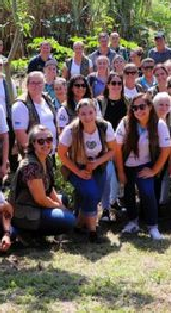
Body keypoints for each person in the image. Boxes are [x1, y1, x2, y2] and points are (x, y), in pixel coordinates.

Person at [58, 99, 116, 242]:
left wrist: (97, 162)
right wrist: (77, 171)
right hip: (76, 167)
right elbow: (61, 154)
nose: (87, 116)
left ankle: (78, 224)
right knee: (91, 193)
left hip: (98, 166)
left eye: (90, 112)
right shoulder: (71, 130)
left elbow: (113, 150)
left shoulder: (104, 127)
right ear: (78, 114)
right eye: (83, 113)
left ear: (96, 112)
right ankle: (92, 231)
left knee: (95, 197)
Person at [115, 93, 171, 240]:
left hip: (145, 165)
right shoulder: (126, 123)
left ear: (150, 107)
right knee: (128, 194)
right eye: (135, 108)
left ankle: (153, 227)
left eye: (142, 106)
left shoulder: (159, 124)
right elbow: (117, 148)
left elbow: (166, 149)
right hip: (127, 164)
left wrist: (154, 170)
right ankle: (133, 222)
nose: (139, 110)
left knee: (148, 192)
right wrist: (120, 171)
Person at [10, 125, 76, 238]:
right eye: (41, 141)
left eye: (49, 139)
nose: (46, 144)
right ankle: (27, 233)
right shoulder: (30, 165)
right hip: (26, 212)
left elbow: (50, 189)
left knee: (63, 198)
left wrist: (59, 204)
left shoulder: (46, 159)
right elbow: (40, 199)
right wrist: (59, 207)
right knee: (69, 220)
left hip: (37, 205)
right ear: (33, 144)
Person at [97, 73, 128, 221]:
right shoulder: (100, 103)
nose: (116, 86)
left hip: (124, 144)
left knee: (122, 173)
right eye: (113, 83)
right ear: (108, 85)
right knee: (109, 175)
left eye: (119, 83)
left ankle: (117, 201)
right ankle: (106, 208)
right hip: (106, 145)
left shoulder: (127, 102)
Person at [12, 71, 58, 153]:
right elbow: (21, 137)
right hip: (33, 154)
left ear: (44, 84)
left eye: (39, 82)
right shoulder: (21, 105)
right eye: (33, 83)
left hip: (50, 152)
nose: (36, 85)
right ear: (27, 85)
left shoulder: (48, 100)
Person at [153, 92, 171, 207]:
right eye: (161, 104)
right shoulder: (150, 119)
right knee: (162, 199)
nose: (164, 107)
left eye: (167, 104)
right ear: (155, 105)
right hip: (156, 157)